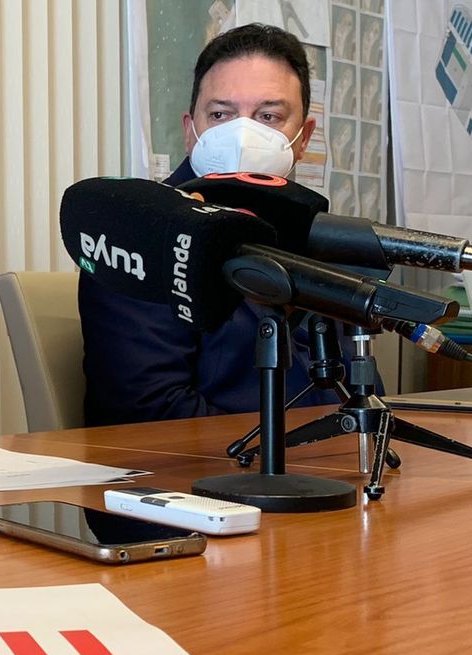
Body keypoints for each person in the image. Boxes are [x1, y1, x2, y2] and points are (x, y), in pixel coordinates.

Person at [80, 23, 346, 425]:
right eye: (221, 114)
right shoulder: (137, 234)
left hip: (327, 470)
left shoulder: (320, 237)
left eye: (268, 116)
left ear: (304, 138)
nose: (242, 134)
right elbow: (151, 414)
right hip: (193, 477)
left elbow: (358, 390)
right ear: (191, 132)